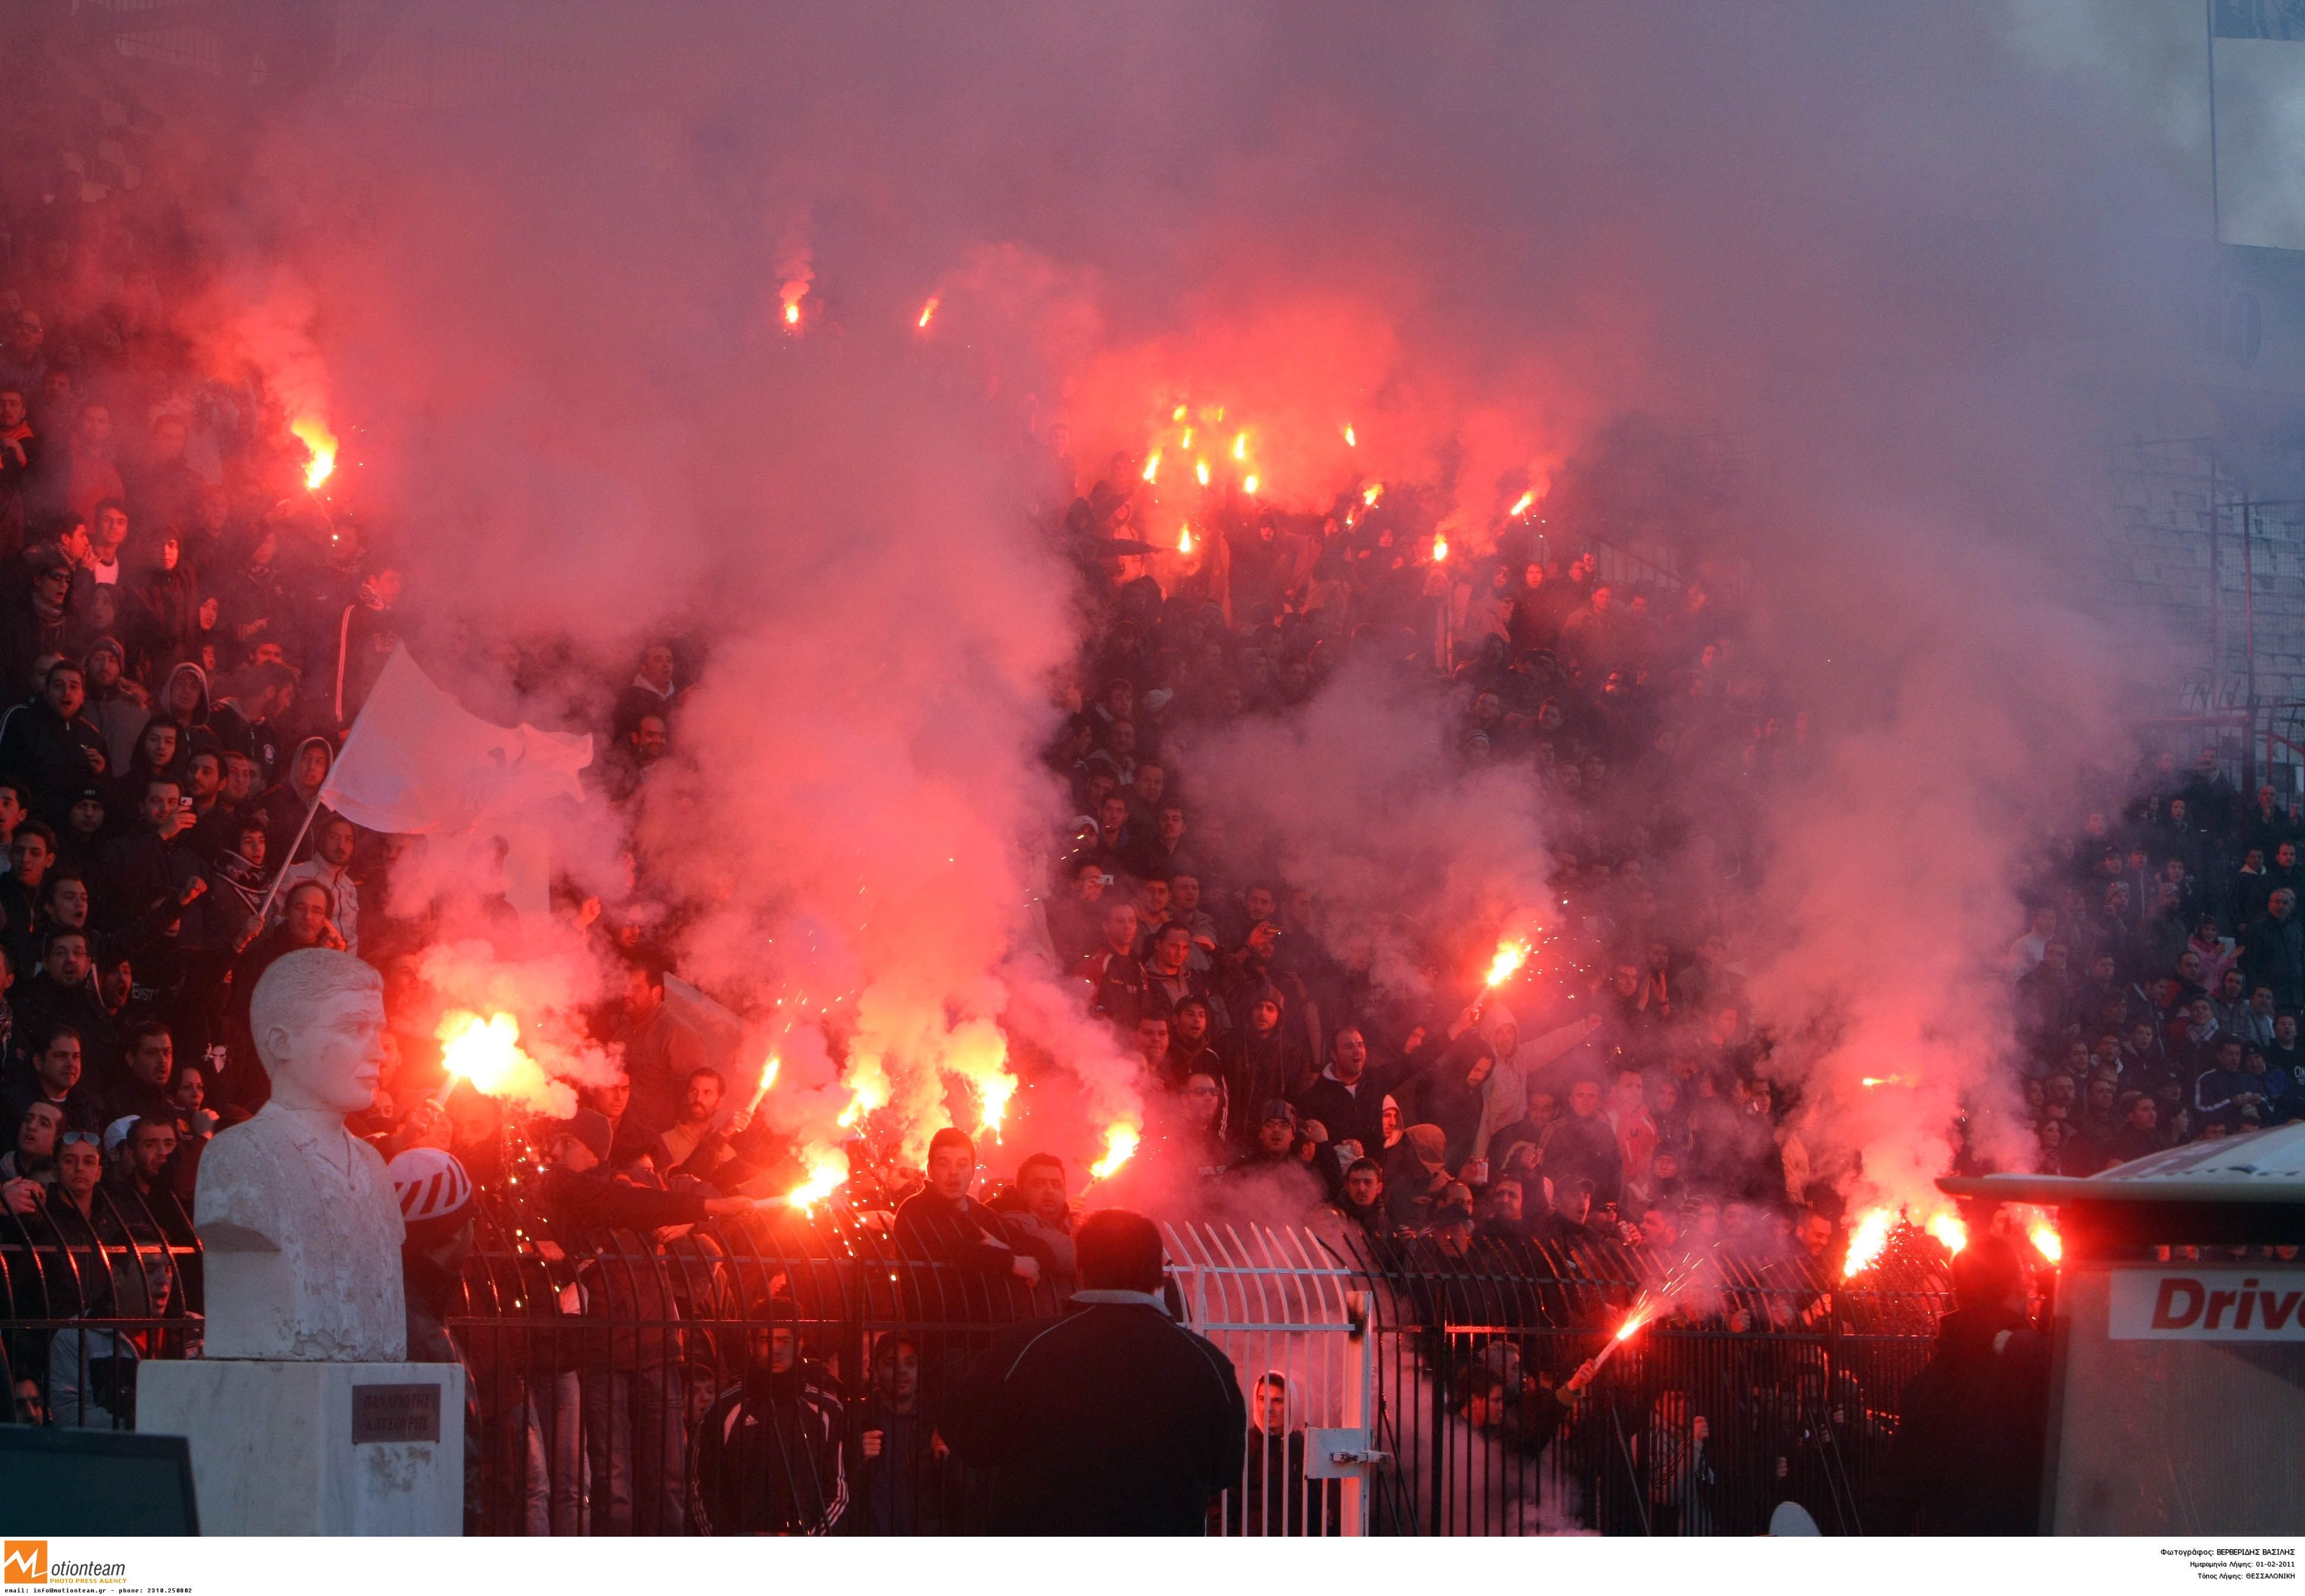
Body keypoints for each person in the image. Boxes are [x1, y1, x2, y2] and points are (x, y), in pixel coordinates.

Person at [942, 1209, 1246, 1533]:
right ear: (1158, 1273)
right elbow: (1224, 1469)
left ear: (1080, 1268)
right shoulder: (1205, 1362)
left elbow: (967, 1437)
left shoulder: (1024, 1348)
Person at [1872, 1237, 2049, 1534]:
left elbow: (1894, 1494)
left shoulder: (1931, 1384)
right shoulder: (2043, 1366)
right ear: (2019, 1283)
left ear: (1955, 1295)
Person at [688, 1276, 847, 1536]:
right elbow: (702, 1489)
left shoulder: (827, 1411)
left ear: (799, 1345)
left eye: (784, 1341)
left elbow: (838, 1491)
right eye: (766, 1340)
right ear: (752, 1344)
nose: (775, 1350)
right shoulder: (724, 1411)